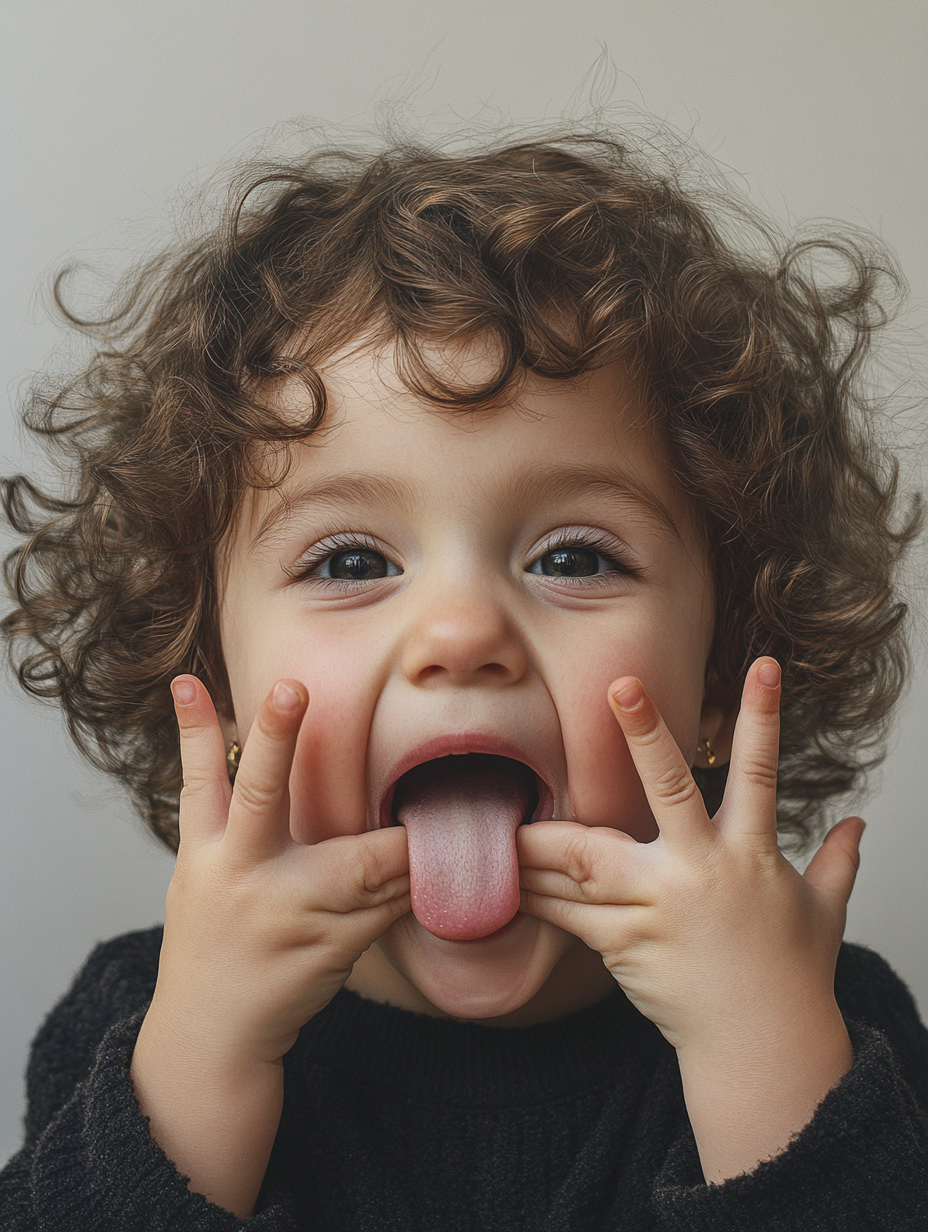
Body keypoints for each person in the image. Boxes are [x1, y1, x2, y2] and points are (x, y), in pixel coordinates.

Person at [1, 127, 926, 1231]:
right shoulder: (142, 1021)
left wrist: (763, 1051)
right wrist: (206, 1058)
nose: (460, 631)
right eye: (351, 562)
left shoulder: (828, 1015)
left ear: (724, 671)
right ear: (216, 680)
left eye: (574, 556)